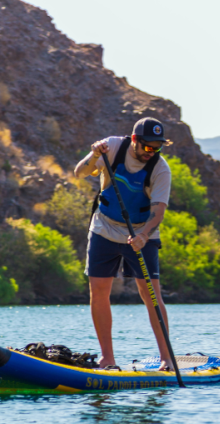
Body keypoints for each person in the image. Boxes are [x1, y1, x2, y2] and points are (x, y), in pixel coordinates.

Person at [74, 117, 175, 369]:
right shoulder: (111, 148)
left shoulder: (160, 169)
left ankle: (166, 358)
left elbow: (159, 212)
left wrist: (143, 235)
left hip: (143, 233)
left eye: (158, 147)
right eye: (148, 147)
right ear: (134, 140)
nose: (152, 152)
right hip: (104, 227)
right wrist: (93, 155)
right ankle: (107, 358)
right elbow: (80, 172)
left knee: (151, 295)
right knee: (98, 291)